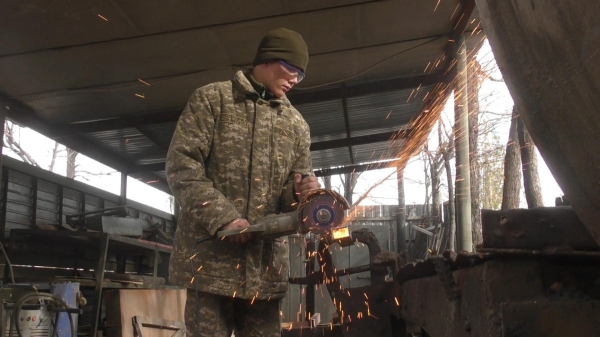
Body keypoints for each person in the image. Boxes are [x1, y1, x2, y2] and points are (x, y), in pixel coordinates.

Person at [166, 28, 321, 337]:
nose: (294, 80)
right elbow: (182, 167)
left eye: (300, 76)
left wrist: (305, 193)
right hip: (210, 264)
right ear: (266, 60)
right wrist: (223, 218)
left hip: (264, 270)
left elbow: (292, 198)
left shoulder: (296, 125)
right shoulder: (213, 100)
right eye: (291, 69)